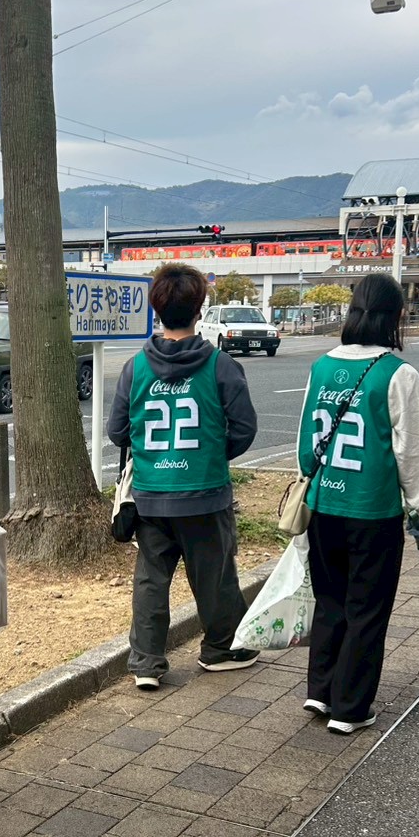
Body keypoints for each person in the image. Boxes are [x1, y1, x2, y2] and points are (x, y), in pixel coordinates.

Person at [108, 262, 259, 690]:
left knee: (151, 580)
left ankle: (146, 663)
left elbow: (117, 431)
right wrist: (210, 454)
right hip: (205, 493)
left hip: (151, 495)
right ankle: (220, 649)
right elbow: (244, 429)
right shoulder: (221, 365)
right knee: (214, 576)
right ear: (199, 309)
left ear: (156, 310)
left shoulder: (136, 368)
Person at [297, 272, 419, 736]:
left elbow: (305, 441)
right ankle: (351, 708)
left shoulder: (321, 367)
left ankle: (321, 689)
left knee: (330, 599)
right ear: (396, 317)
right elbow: (412, 449)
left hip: (323, 504)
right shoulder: (398, 374)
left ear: (352, 311)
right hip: (372, 509)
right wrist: (417, 506)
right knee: (367, 608)